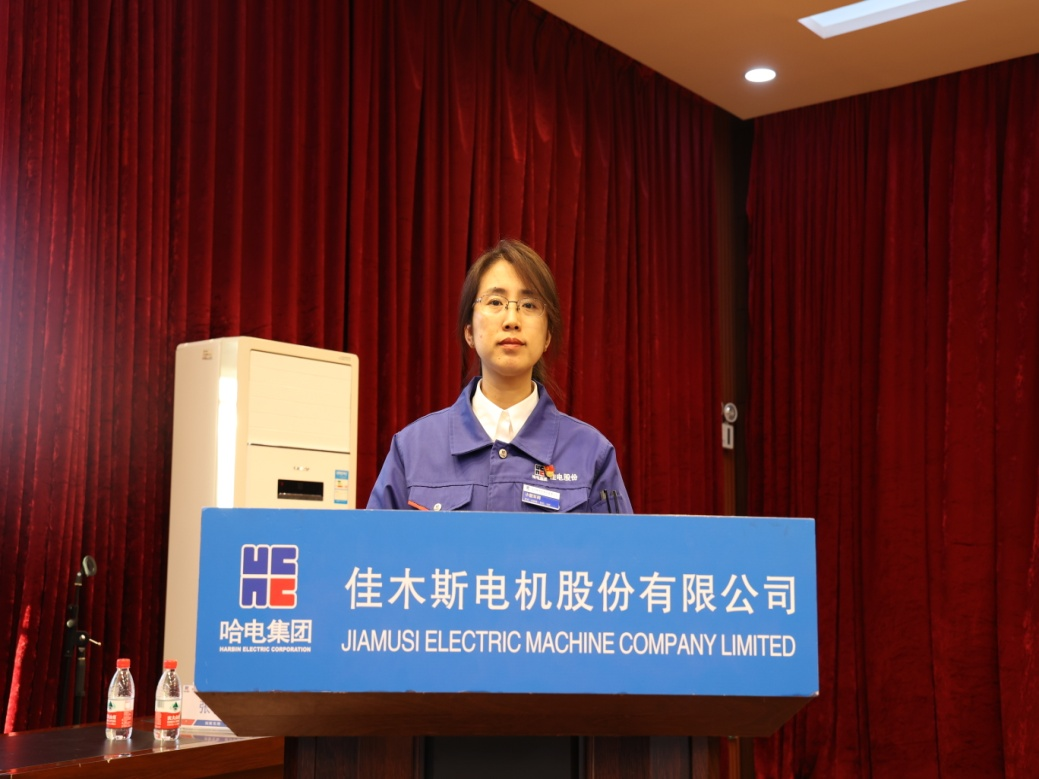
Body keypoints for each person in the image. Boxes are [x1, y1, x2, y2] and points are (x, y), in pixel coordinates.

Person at [367, 238, 630, 514]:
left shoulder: (592, 454)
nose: (512, 320)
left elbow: (623, 543)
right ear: (469, 331)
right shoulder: (412, 449)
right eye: (495, 301)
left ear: (547, 337)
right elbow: (373, 541)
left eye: (529, 305)